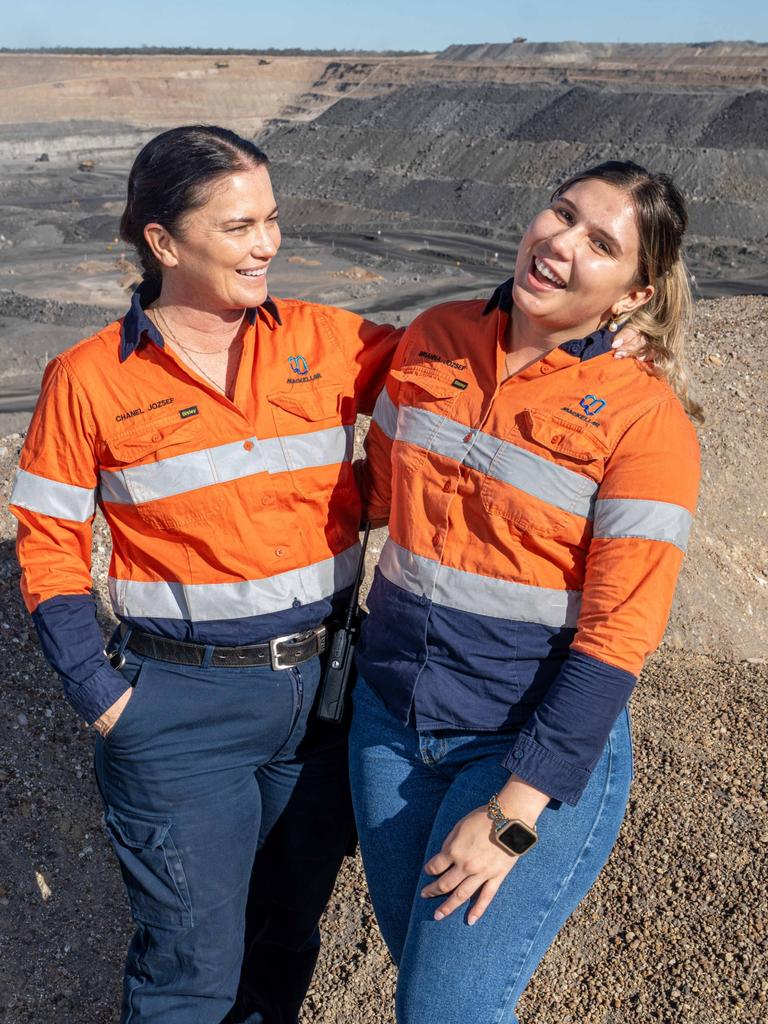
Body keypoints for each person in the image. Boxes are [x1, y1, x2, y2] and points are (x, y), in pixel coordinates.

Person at [9, 124, 403, 1024]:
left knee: (284, 940)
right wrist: (104, 700)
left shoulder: (328, 337)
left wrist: (565, 318)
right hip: (182, 712)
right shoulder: (87, 381)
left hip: (328, 704)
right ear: (163, 241)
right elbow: (48, 543)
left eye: (271, 219)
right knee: (190, 971)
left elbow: (453, 370)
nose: (267, 243)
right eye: (237, 226)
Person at [349, 160, 701, 1024]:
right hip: (388, 729)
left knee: (446, 1013)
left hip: (517, 749)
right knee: (438, 996)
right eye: (561, 212)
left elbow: (619, 638)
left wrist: (514, 811)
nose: (561, 243)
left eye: (600, 242)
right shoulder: (434, 337)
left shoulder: (645, 423)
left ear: (633, 294)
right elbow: (377, 493)